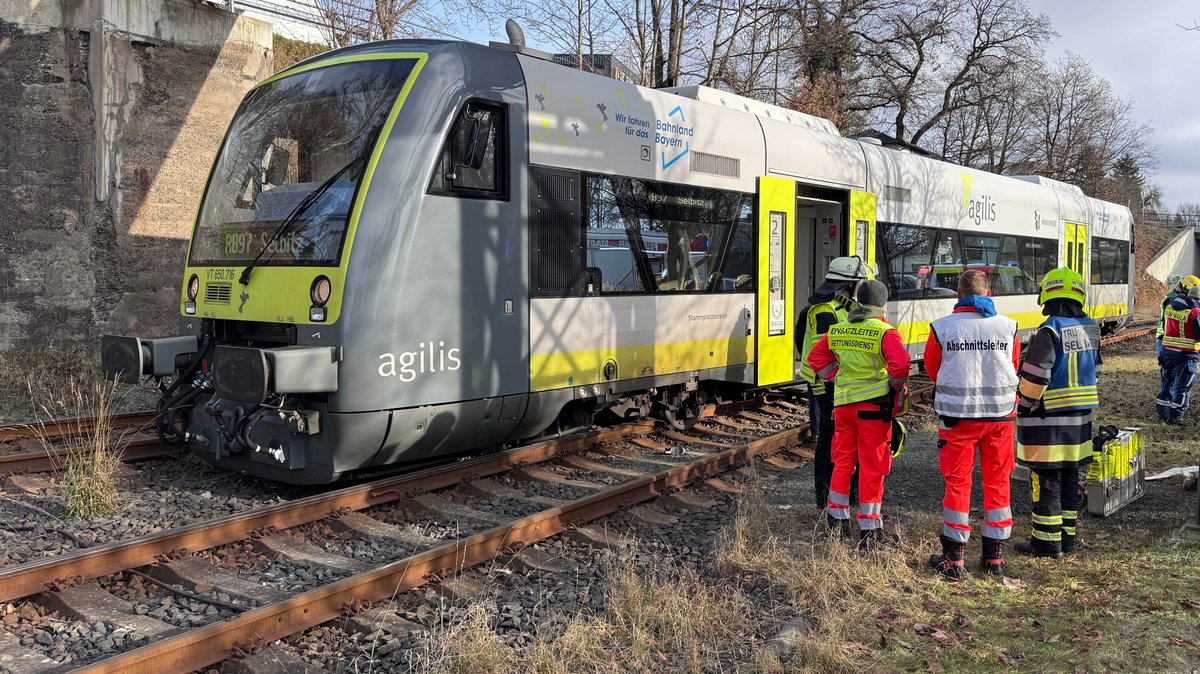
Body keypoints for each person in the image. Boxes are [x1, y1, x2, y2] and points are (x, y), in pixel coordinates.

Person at [923, 270, 1020, 580]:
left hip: (958, 419)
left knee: (958, 483)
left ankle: (954, 560)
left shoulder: (943, 328)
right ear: (988, 293)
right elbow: (1013, 365)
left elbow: (933, 369)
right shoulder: (1008, 327)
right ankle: (994, 559)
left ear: (958, 294)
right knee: (998, 482)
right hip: (1000, 418)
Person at [806, 279, 910, 549]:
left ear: (857, 301)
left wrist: (838, 377)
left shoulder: (838, 330)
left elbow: (815, 359)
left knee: (842, 463)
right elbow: (900, 367)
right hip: (873, 410)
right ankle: (870, 530)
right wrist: (894, 388)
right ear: (883, 305)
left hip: (843, 408)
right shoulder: (885, 332)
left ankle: (837, 522)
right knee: (873, 467)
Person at [1013, 268, 1101, 558]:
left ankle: (1046, 543)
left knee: (1047, 478)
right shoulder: (1091, 327)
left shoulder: (1050, 330)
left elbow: (1036, 376)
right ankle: (1067, 538)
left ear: (1048, 295)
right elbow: (1096, 369)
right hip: (1081, 419)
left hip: (1048, 419)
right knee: (1069, 476)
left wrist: (1023, 404)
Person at [796, 257, 872, 512]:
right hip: (826, 385)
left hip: (838, 383)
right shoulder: (825, 311)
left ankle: (845, 493)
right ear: (850, 284)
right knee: (829, 439)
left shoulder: (843, 307)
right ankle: (825, 495)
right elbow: (823, 355)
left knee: (842, 439)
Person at [1157, 284, 1200, 424]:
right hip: (1186, 356)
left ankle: (1162, 412)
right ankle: (1175, 416)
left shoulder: (1170, 308)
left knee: (1166, 384)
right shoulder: (1195, 313)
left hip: (1167, 353)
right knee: (1183, 387)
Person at [1157, 276, 1200, 357]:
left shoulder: (1174, 299)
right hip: (1168, 340)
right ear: (1186, 289)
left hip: (1169, 342)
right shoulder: (1176, 301)